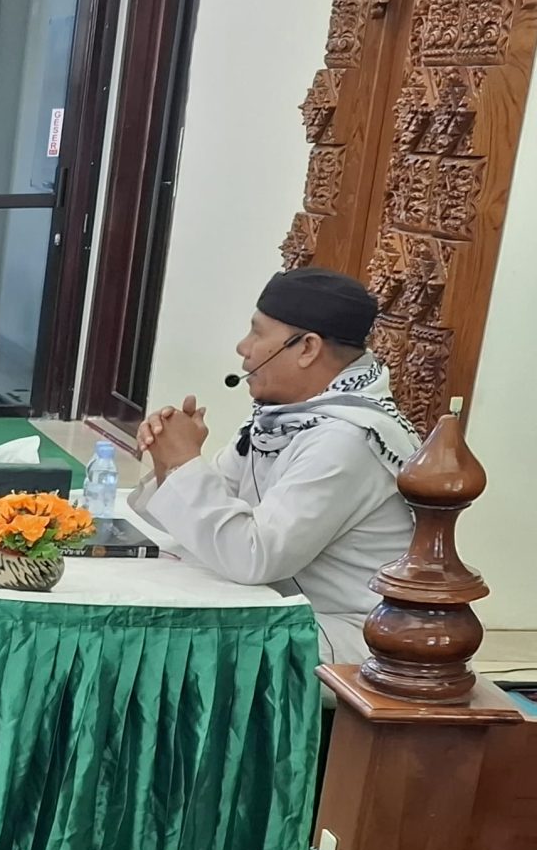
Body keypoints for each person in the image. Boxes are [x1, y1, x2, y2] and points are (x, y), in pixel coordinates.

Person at [130, 267, 418, 663]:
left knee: (170, 641)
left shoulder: (347, 438)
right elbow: (207, 523)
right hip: (288, 608)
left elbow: (254, 557)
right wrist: (169, 464)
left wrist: (185, 463)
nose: (242, 347)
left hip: (353, 635)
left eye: (257, 333)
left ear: (307, 348)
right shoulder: (285, 418)